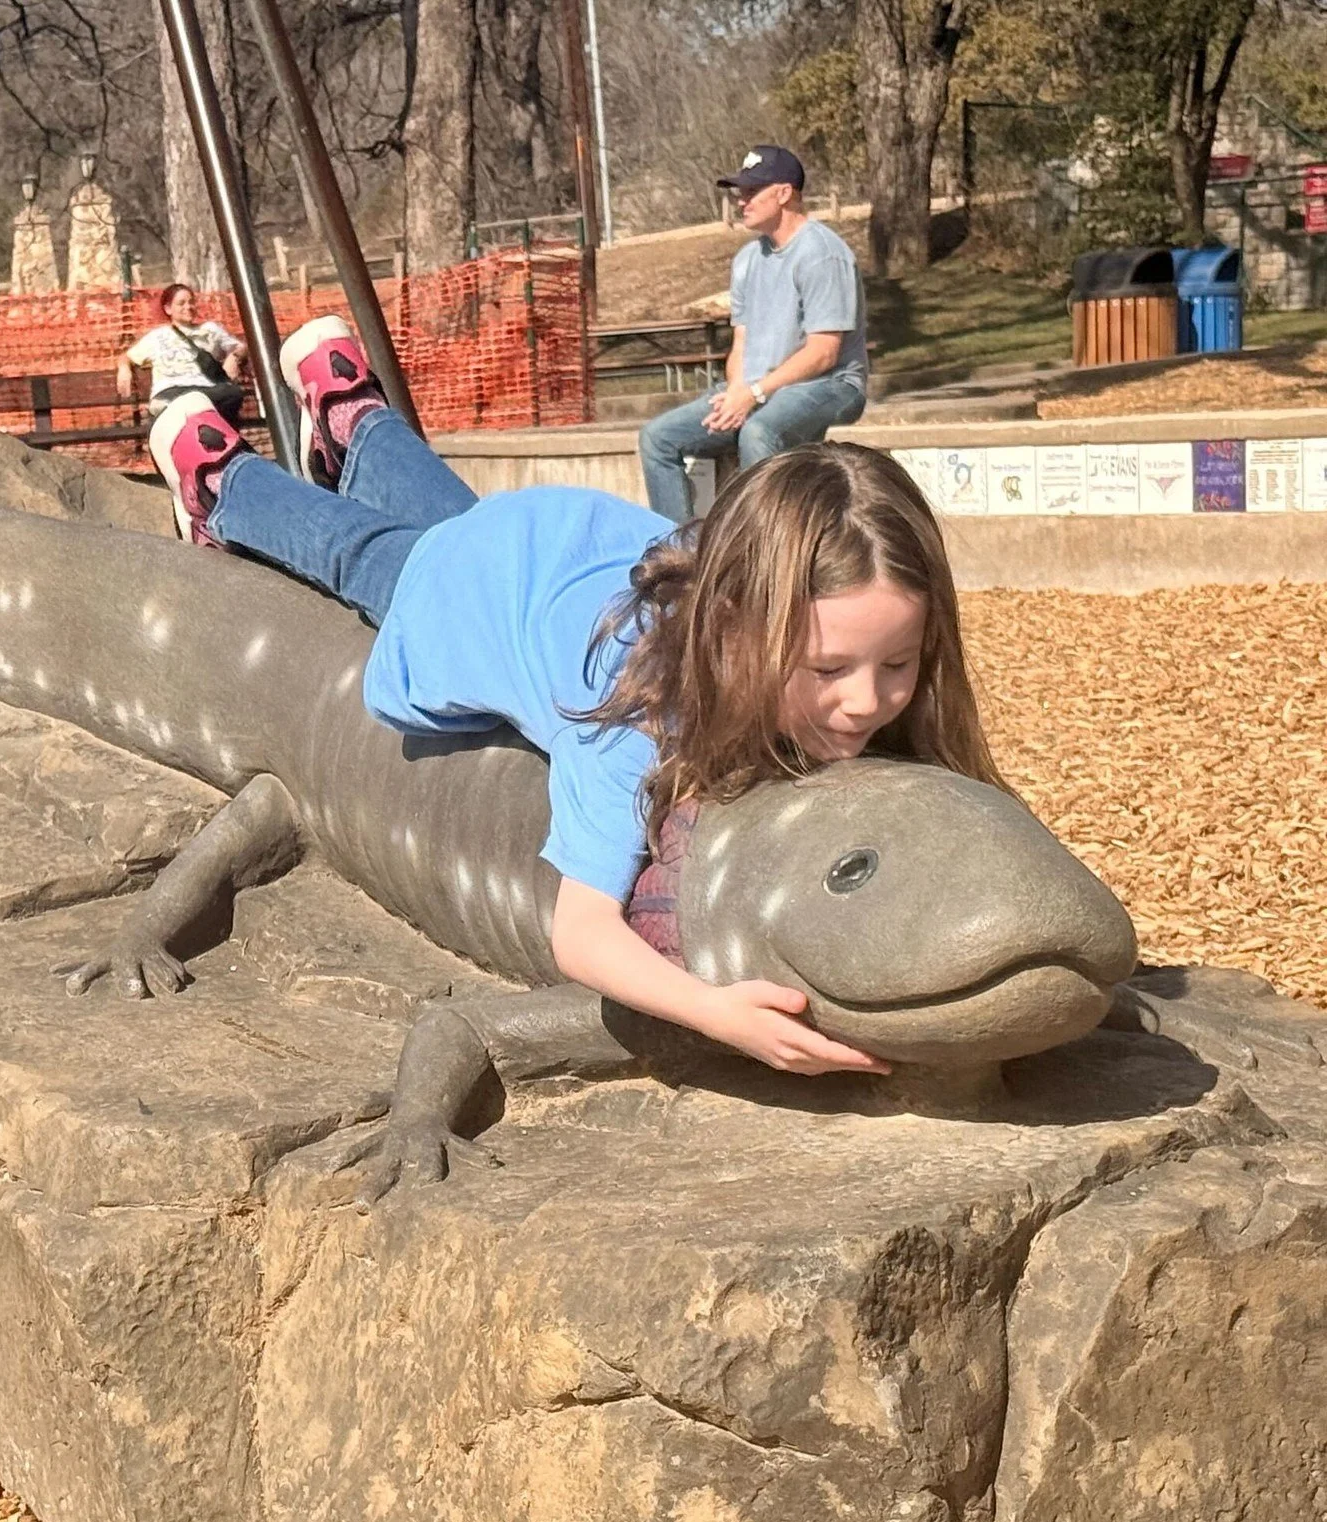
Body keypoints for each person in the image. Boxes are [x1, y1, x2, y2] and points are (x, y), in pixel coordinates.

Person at [143, 316, 1006, 1078]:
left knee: (454, 520)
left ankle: (349, 409)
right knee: (362, 553)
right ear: (737, 625)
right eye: (826, 671)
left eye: (899, 664)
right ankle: (213, 471)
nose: (866, 702)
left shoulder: (769, 593)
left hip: (566, 539)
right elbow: (581, 935)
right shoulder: (641, 713)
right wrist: (715, 1013)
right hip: (477, 594)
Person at [638, 145, 869, 524]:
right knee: (657, 438)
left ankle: (761, 546)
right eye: (739, 192)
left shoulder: (822, 254)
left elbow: (824, 352)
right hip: (758, 389)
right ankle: (679, 550)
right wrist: (736, 391)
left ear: (784, 193)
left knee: (759, 432)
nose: (741, 200)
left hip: (830, 384)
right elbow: (741, 344)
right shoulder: (747, 260)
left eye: (751, 191)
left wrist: (756, 394)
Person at [118, 283, 248, 424]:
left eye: (191, 302)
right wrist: (124, 368)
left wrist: (235, 357)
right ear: (168, 309)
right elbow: (127, 357)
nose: (188, 307)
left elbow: (241, 348)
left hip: (206, 391)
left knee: (233, 393)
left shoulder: (210, 329)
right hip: (172, 391)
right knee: (200, 407)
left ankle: (191, 412)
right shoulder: (157, 336)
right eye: (181, 303)